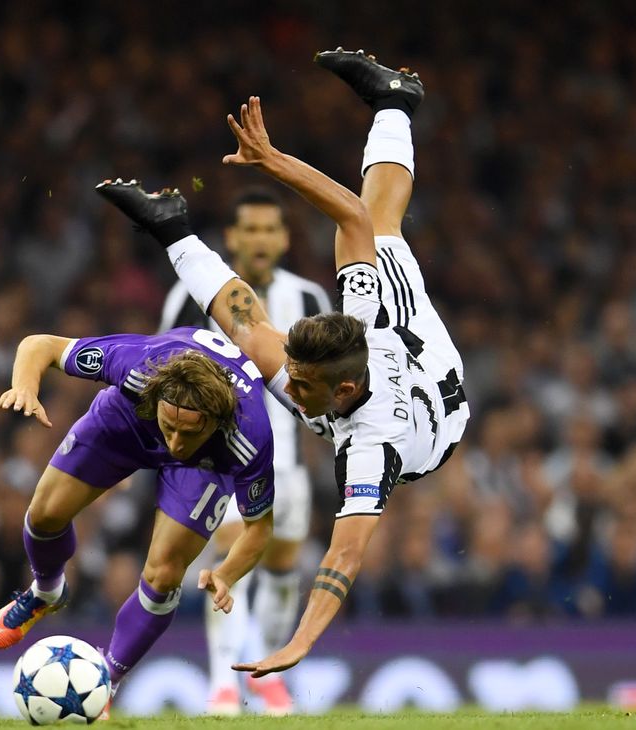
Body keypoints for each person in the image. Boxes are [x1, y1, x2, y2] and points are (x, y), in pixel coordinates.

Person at [98, 48, 469, 676]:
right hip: (384, 340)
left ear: (341, 389)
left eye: (300, 382)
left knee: (369, 235)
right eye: (292, 373)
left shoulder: (371, 447)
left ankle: (398, 102)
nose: (285, 384)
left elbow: (343, 559)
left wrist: (301, 644)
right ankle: (395, 102)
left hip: (433, 391)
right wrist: (271, 164)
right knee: (371, 226)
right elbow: (343, 216)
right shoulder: (355, 321)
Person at [0, 325, 276, 711]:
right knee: (44, 514)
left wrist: (226, 574)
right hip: (128, 421)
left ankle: (105, 682)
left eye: (188, 431)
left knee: (164, 574)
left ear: (217, 420)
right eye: (170, 427)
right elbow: (40, 345)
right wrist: (25, 387)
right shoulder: (137, 364)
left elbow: (259, 528)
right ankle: (46, 590)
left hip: (204, 464)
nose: (175, 442)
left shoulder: (249, 433)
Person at [158, 188, 330, 715]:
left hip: (291, 464)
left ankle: (265, 671)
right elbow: (162, 374)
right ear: (231, 238)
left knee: (282, 566)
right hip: (224, 459)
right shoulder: (191, 296)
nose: (259, 240)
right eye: (248, 229)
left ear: (283, 238)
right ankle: (224, 685)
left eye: (269, 229)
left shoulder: (310, 300)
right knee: (232, 552)